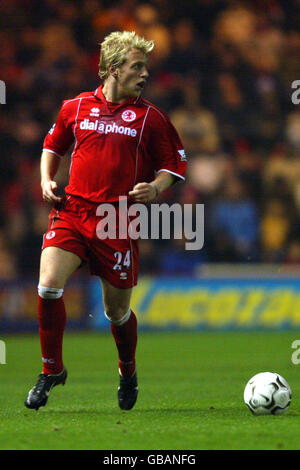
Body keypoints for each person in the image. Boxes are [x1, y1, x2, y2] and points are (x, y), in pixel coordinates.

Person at [24, 31, 187, 411]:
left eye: (146, 67)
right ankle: (51, 370)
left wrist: (157, 187)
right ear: (113, 69)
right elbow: (52, 146)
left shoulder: (151, 118)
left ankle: (127, 371)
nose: (145, 74)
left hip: (118, 220)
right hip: (73, 211)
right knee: (48, 286)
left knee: (116, 312)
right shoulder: (76, 107)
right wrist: (47, 178)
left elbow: (176, 163)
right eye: (137, 66)